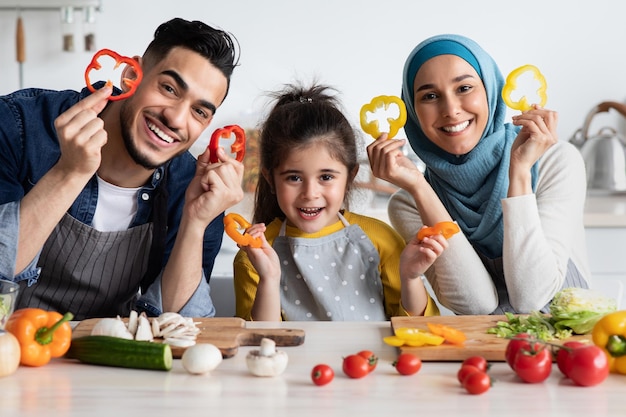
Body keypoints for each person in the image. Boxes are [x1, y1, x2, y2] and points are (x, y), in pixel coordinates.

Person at [0, 18, 244, 320]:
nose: (177, 119)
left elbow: (179, 324)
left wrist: (195, 223)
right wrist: (69, 173)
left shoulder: (190, 187)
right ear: (132, 76)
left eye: (199, 111)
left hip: (109, 358)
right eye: (168, 88)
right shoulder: (17, 125)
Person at [367, 34, 590, 315]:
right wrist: (421, 189)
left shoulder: (555, 162)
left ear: (490, 90)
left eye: (464, 88)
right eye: (430, 96)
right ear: (412, 111)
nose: (451, 110)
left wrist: (519, 172)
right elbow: (475, 304)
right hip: (478, 351)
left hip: (573, 346)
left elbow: (532, 297)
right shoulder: (409, 203)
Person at [233, 83, 442, 321]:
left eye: (326, 177)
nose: (310, 193)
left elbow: (418, 329)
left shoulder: (382, 239)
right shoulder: (253, 257)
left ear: (350, 176)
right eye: (294, 177)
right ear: (270, 178)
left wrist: (410, 278)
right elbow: (260, 347)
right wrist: (269, 278)